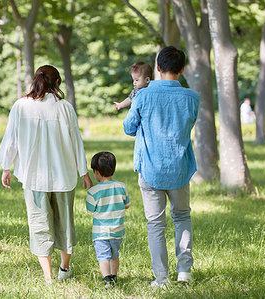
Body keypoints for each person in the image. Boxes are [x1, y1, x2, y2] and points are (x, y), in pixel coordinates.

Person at [0, 65, 93, 282]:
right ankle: (64, 271)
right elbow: (77, 141)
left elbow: (10, 138)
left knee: (40, 225)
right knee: (65, 224)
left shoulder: (21, 106)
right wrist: (84, 172)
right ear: (57, 83)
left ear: (35, 81)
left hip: (33, 177)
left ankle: (48, 278)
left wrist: (6, 167)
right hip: (64, 176)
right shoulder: (65, 108)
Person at [123, 46, 199, 288]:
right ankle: (184, 272)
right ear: (182, 69)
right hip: (180, 169)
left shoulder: (143, 96)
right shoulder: (192, 97)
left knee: (156, 224)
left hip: (151, 170)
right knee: (182, 217)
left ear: (157, 67)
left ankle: (161, 278)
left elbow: (128, 128)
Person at [86, 152, 130, 287]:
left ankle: (107, 279)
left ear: (96, 172)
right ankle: (114, 277)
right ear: (114, 170)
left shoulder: (94, 191)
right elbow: (127, 205)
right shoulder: (121, 186)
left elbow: (90, 209)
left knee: (103, 257)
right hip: (117, 231)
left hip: (101, 233)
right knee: (114, 255)